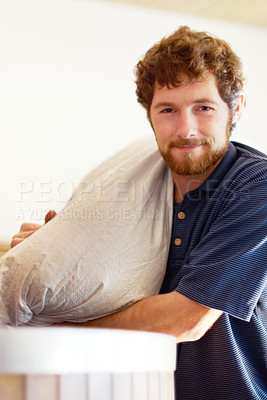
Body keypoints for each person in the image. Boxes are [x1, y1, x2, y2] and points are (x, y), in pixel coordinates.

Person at [11, 26, 267, 399]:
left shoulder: (254, 184)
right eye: (168, 110)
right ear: (149, 114)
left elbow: (187, 319)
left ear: (236, 107)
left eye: (204, 108)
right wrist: (58, 252)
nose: (186, 129)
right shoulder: (135, 181)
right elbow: (101, 275)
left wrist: (62, 327)